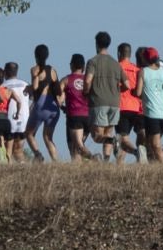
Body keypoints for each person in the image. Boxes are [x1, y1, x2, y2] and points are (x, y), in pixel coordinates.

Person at [88, 33, 125, 161]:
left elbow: (87, 81)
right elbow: (127, 84)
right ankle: (106, 160)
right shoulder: (116, 63)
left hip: (99, 101)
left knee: (97, 135)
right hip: (114, 102)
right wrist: (118, 91)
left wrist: (86, 92)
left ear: (97, 44)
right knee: (108, 131)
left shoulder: (93, 62)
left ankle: (113, 140)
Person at [27, 44, 62, 162]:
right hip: (53, 107)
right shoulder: (53, 71)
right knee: (48, 137)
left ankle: (38, 155)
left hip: (41, 105)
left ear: (35, 56)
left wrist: (28, 88)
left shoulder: (34, 69)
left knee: (29, 133)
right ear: (47, 56)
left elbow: (36, 87)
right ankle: (56, 162)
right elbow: (58, 91)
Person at [136, 47, 163, 163]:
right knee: (151, 143)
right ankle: (154, 165)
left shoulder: (143, 72)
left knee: (155, 145)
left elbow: (138, 92)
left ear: (145, 58)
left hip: (151, 113)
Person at [61, 54, 94, 161]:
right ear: (83, 67)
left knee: (78, 145)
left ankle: (94, 158)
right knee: (75, 149)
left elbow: (58, 98)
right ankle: (79, 171)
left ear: (72, 65)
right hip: (88, 117)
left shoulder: (66, 80)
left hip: (74, 116)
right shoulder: (88, 80)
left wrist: (62, 107)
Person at [116, 43, 144, 163]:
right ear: (130, 54)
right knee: (138, 134)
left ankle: (136, 152)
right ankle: (120, 163)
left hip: (122, 107)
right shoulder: (138, 70)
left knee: (122, 138)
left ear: (119, 54)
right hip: (137, 108)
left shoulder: (116, 67)